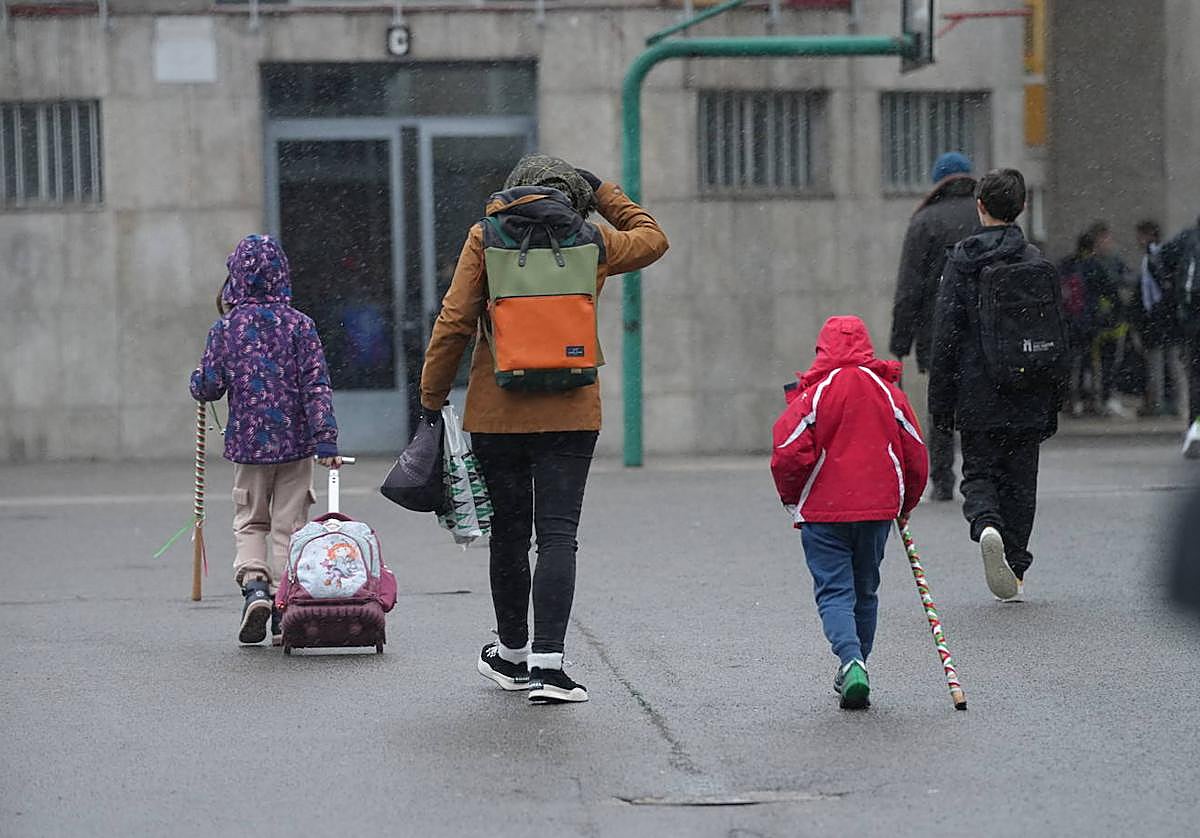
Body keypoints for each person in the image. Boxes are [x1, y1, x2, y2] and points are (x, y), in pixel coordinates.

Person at [418, 155, 668, 704]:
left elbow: (455, 320)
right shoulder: (594, 240)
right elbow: (653, 237)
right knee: (557, 536)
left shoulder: (484, 237)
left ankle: (510, 656)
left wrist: (431, 399)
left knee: (508, 533)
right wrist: (602, 189)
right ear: (575, 198)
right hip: (572, 411)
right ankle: (549, 666)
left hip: (496, 412)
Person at [190, 235, 341, 645]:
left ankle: (255, 587)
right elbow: (316, 385)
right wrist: (325, 439)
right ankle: (282, 607)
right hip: (296, 444)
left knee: (251, 519)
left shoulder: (226, 328)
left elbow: (209, 385)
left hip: (249, 444)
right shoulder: (300, 325)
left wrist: (198, 383)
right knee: (289, 525)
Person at [771, 316, 928, 710]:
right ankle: (860, 665)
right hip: (876, 509)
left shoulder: (817, 393)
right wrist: (904, 503)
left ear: (822, 350)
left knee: (834, 591)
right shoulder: (888, 392)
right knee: (865, 589)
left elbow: (788, 450)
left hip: (824, 514)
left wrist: (794, 498)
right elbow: (915, 452)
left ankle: (850, 660)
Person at [929, 168, 1063, 602]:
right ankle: (1017, 566)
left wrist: (941, 405)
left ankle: (986, 523)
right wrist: (1053, 399)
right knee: (1023, 481)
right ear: (1022, 207)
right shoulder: (1037, 262)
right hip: (1029, 390)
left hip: (977, 392)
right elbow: (1060, 337)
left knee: (980, 472)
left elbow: (945, 337)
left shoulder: (962, 263)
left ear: (980, 207)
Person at [889, 151, 979, 501]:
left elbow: (909, 287)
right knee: (981, 401)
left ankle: (943, 479)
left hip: (939, 329)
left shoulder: (924, 221)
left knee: (941, 404)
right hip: (985, 329)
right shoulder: (987, 213)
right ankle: (982, 477)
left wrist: (900, 344)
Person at [1157, 215, 1200, 457]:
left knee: (1195, 376)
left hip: (1193, 316)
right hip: (1193, 314)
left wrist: (1169, 285)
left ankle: (1195, 428)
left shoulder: (1187, 238)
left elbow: (1159, 259)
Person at [1136, 220, 1188, 418]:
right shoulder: (1160, 255)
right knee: (1170, 363)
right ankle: (1174, 403)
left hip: (1158, 319)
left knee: (1160, 364)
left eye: (1141, 236)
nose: (1138, 241)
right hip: (1166, 318)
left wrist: (1153, 313)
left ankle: (1162, 404)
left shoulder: (1155, 256)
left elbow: (1155, 289)